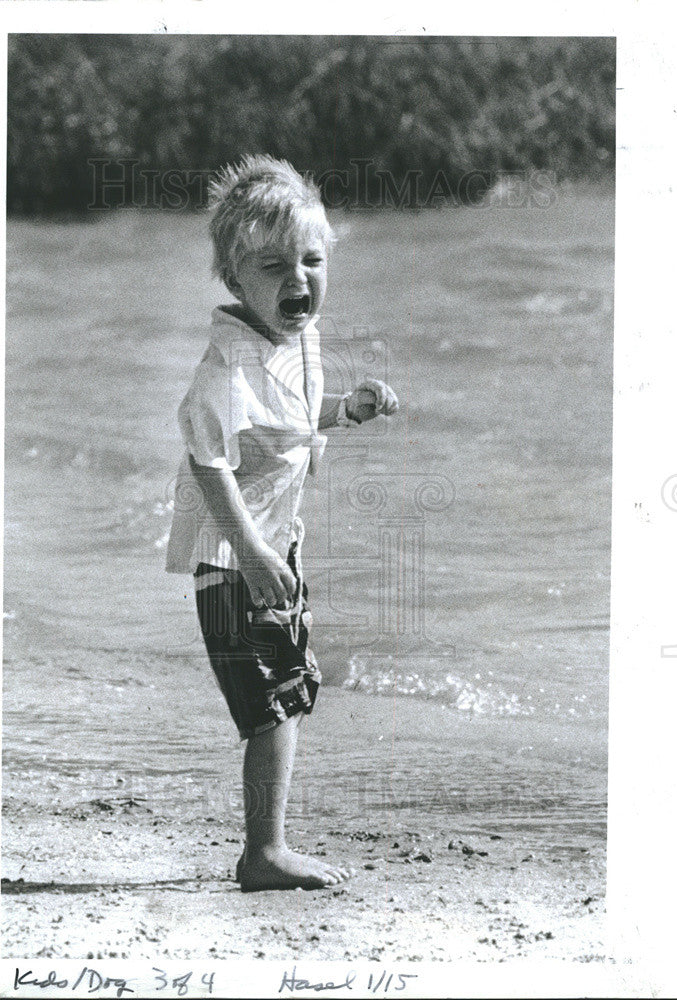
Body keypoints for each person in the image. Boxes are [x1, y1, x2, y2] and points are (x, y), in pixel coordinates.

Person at [165, 154, 398, 891]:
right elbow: (210, 463)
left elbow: (288, 422)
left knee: (289, 691)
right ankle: (263, 851)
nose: (297, 281)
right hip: (237, 561)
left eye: (311, 260)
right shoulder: (225, 370)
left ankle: (267, 843)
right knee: (270, 706)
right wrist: (253, 551)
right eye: (273, 266)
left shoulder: (293, 340)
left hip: (270, 551)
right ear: (236, 282)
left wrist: (343, 413)